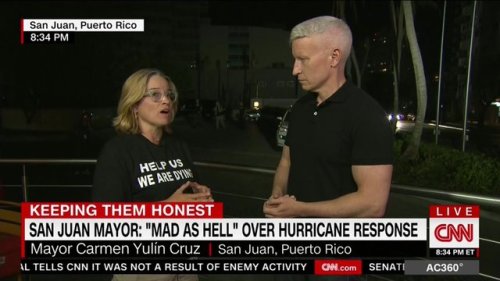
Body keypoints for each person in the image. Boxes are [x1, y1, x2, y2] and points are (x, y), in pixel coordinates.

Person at [263, 16, 393, 220]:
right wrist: (278, 197)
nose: (295, 70)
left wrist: (300, 210)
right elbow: (286, 162)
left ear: (334, 57)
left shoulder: (368, 116)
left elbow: (373, 205)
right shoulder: (300, 108)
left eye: (303, 60)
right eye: (295, 60)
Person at [92, 68, 212, 281]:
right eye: (155, 94)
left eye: (169, 95)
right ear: (135, 104)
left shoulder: (179, 147)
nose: (166, 100)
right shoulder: (117, 151)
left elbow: (189, 198)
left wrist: (201, 200)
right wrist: (165, 209)